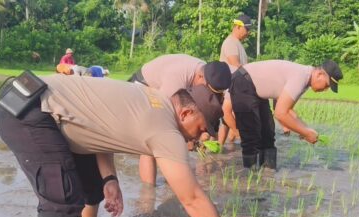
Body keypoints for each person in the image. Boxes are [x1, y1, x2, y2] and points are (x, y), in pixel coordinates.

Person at [0, 75, 253, 217]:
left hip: (38, 102)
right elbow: (192, 198)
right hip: (30, 112)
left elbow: (99, 127)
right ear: (185, 113)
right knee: (62, 203)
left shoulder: (152, 98)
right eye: (199, 129)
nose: (198, 138)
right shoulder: (166, 130)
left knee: (91, 187)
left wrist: (109, 179)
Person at [128, 54, 232, 185]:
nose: (209, 95)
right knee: (151, 139)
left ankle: (171, 180)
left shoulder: (208, 74)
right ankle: (148, 193)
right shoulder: (176, 80)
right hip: (143, 86)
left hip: (163, 92)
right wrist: (187, 139)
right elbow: (165, 115)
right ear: (200, 77)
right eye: (208, 89)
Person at [229, 59, 343, 169]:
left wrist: (306, 129)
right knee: (251, 133)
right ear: (319, 74)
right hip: (243, 82)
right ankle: (250, 177)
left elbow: (289, 111)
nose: (326, 89)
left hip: (255, 89)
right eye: (327, 85)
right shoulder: (301, 77)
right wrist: (305, 132)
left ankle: (268, 174)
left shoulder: (305, 79)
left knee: (268, 133)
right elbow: (280, 113)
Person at [218, 14, 253, 146]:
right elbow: (235, 64)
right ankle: (237, 138)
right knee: (229, 115)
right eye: (247, 29)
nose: (248, 33)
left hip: (237, 84)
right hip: (231, 84)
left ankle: (225, 148)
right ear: (238, 27)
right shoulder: (231, 42)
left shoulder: (238, 44)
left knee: (228, 121)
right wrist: (252, 76)